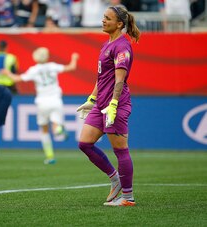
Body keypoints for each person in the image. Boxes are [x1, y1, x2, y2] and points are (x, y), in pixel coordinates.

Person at [76, 5, 140, 206]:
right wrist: (92, 99)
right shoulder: (107, 44)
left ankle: (128, 197)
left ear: (119, 24)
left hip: (115, 105)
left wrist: (113, 104)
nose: (103, 21)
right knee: (84, 143)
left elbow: (120, 79)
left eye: (108, 18)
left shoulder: (122, 46)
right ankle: (115, 179)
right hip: (101, 104)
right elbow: (102, 77)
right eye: (103, 17)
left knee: (120, 150)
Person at [1, 47, 79, 164]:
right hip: (56, 100)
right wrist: (74, 58)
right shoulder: (52, 66)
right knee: (55, 123)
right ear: (46, 56)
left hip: (42, 102)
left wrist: (7, 73)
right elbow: (71, 67)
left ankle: (50, 156)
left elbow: (17, 78)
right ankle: (58, 128)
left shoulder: (34, 70)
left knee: (44, 129)